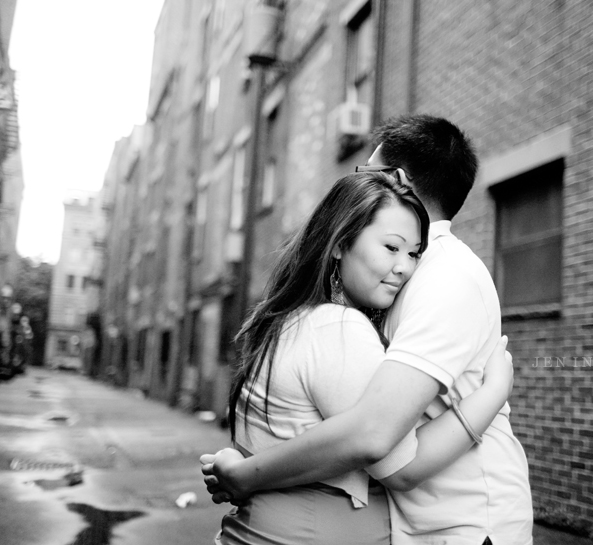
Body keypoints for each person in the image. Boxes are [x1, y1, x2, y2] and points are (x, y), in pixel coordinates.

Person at [203, 115, 534, 545]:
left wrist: (246, 475)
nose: (402, 263)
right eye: (394, 249)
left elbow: (372, 434)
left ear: (393, 179)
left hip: (465, 525)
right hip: (416, 522)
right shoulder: (375, 293)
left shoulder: (447, 278)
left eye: (365, 171)